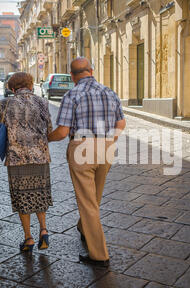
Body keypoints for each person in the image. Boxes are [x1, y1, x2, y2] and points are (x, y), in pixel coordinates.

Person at [48, 57, 126, 267]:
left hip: (81, 148)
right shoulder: (109, 92)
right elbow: (121, 123)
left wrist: (46, 137)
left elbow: (63, 132)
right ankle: (84, 227)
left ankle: (99, 255)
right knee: (95, 196)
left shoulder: (72, 94)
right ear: (91, 71)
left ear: (73, 76)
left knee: (87, 201)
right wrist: (109, 140)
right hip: (107, 146)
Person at [0, 72, 53, 253]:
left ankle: (28, 238)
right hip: (39, 157)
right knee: (39, 194)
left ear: (12, 88)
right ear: (30, 85)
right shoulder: (42, 103)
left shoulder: (5, 104)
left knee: (22, 198)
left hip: (16, 158)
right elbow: (49, 128)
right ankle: (43, 230)